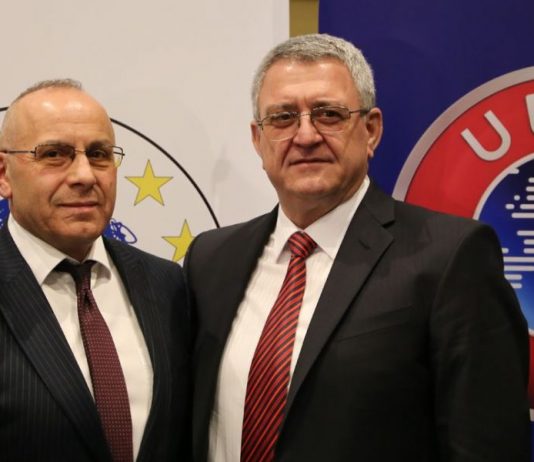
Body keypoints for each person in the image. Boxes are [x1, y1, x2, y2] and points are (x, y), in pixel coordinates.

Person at [184, 34, 530, 461]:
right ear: (258, 139)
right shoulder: (211, 260)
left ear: (371, 130)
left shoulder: (451, 258)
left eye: (329, 114)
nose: (305, 135)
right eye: (283, 118)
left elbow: (487, 446)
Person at [0, 79, 190, 462]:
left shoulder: (167, 283)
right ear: (4, 174)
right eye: (54, 154)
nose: (85, 176)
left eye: (99, 154)